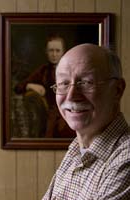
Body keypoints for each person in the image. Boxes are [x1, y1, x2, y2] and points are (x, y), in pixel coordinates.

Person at [42, 43, 130, 199]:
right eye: (63, 83)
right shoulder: (77, 148)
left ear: (117, 90)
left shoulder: (125, 160)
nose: (71, 96)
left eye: (86, 82)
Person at [14, 35, 75, 138]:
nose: (54, 54)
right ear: (46, 52)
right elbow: (18, 87)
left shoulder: (72, 69)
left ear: (63, 52)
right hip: (52, 115)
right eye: (51, 51)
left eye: (57, 51)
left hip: (72, 111)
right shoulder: (43, 71)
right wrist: (30, 85)